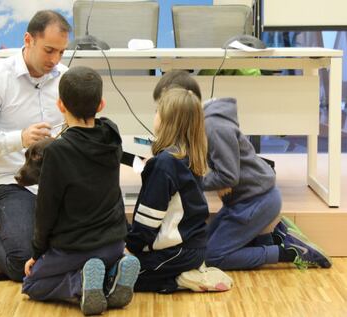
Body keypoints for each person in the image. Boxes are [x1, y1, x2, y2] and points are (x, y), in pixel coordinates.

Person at [153, 70, 332, 271]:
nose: (160, 114)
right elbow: (223, 174)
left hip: (255, 201)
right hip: (242, 202)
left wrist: (198, 181)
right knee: (202, 247)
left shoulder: (214, 127)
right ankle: (273, 238)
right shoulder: (202, 124)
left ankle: (289, 251)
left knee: (213, 257)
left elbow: (228, 175)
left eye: (162, 107)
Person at [0, 10, 71, 282]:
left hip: (57, 182)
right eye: (49, 50)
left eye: (61, 52)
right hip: (10, 181)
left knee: (82, 245)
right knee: (23, 262)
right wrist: (19, 138)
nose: (55, 60)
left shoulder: (65, 78)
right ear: (28, 40)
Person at [21, 66, 140, 316]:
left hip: (75, 247)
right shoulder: (112, 134)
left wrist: (37, 253)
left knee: (32, 284)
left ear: (60, 105)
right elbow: (103, 124)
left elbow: (46, 210)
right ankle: (111, 274)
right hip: (114, 243)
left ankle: (80, 282)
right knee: (94, 262)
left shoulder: (56, 152)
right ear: (101, 104)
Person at [126, 87, 233, 294]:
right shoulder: (185, 155)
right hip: (190, 248)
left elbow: (148, 222)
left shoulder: (164, 163)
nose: (155, 115)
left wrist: (130, 248)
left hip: (175, 252)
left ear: (168, 119)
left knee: (117, 275)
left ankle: (180, 279)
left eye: (158, 111)